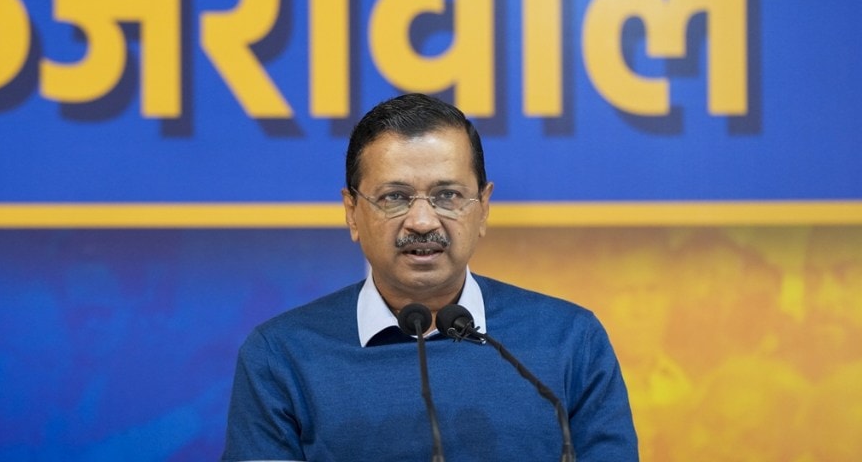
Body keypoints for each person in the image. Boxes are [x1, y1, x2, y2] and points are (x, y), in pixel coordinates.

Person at [222, 93, 639, 461]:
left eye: (447, 196)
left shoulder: (569, 340)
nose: (422, 221)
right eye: (394, 197)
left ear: (483, 208)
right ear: (352, 212)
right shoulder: (282, 355)